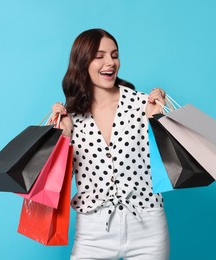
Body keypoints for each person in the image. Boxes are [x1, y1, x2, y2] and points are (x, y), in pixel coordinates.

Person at [50, 28, 169, 260]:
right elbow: (57, 184)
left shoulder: (142, 104)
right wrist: (62, 136)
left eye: (114, 55)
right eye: (100, 56)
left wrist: (158, 120)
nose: (110, 63)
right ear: (82, 62)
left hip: (148, 226)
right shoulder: (70, 117)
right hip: (93, 232)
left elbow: (167, 161)